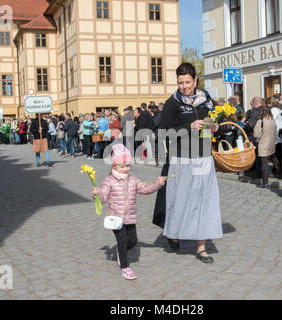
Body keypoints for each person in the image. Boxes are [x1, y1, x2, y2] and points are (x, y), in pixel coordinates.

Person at [152, 62, 223, 264]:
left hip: (203, 158)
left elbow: (209, 126)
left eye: (187, 82)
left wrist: (213, 127)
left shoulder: (207, 101)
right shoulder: (172, 103)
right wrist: (188, 126)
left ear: (195, 80)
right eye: (180, 82)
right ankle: (174, 233)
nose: (184, 86)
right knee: (180, 202)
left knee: (203, 201)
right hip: (181, 159)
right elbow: (164, 133)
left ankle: (202, 248)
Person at [92, 144, 166, 280]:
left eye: (128, 166)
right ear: (114, 166)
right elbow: (102, 199)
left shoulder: (133, 180)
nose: (125, 169)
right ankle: (125, 267)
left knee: (132, 241)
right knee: (123, 240)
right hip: (116, 218)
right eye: (122, 166)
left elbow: (145, 189)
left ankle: (121, 251)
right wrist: (97, 194)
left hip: (130, 217)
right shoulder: (109, 181)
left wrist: (158, 183)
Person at [254, 108, 282, 188]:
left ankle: (265, 182)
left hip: (263, 144)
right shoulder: (273, 121)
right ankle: (281, 173)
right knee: (274, 159)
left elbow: (256, 134)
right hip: (272, 143)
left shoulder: (261, 121)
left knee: (264, 164)